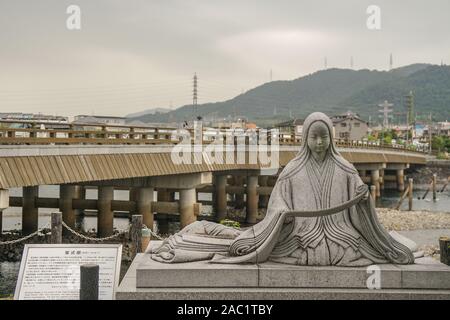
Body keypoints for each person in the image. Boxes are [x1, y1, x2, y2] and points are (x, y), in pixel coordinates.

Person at [151, 112, 414, 266]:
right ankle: (195, 234)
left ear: (331, 138)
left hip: (341, 238)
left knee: (339, 252)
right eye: (314, 137)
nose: (320, 142)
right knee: (241, 242)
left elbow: (360, 212)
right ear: (306, 138)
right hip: (297, 237)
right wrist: (284, 217)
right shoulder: (292, 171)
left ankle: (196, 235)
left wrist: (363, 200)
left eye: (324, 137)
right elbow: (276, 207)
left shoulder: (345, 170)